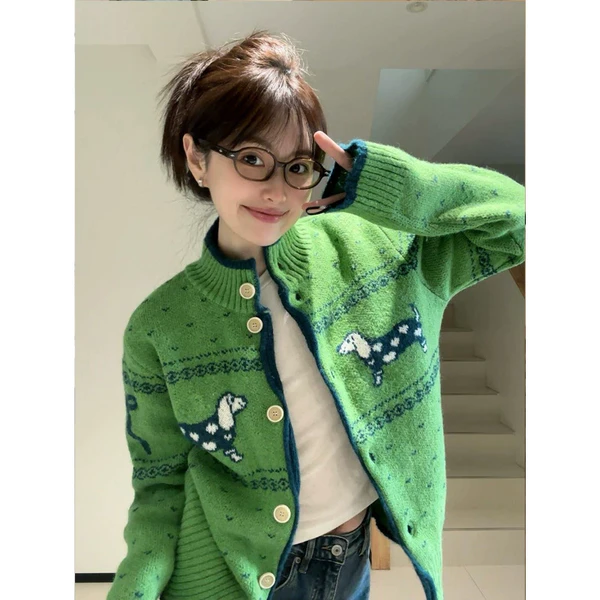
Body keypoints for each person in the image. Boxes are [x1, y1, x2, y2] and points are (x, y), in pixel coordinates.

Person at [107, 30, 525, 600]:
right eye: (251, 159)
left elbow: (517, 221)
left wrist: (391, 185)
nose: (277, 191)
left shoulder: (378, 249)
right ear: (197, 159)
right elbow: (159, 484)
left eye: (298, 166)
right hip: (230, 579)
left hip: (350, 562)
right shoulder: (159, 326)